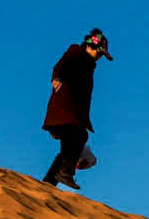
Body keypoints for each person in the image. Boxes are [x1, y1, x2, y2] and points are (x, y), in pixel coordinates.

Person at [41, 29, 111, 188]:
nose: (99, 57)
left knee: (69, 148)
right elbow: (61, 65)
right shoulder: (76, 53)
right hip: (64, 110)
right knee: (79, 136)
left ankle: (49, 183)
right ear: (92, 46)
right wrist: (57, 77)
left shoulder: (88, 65)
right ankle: (65, 173)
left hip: (71, 113)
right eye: (100, 53)